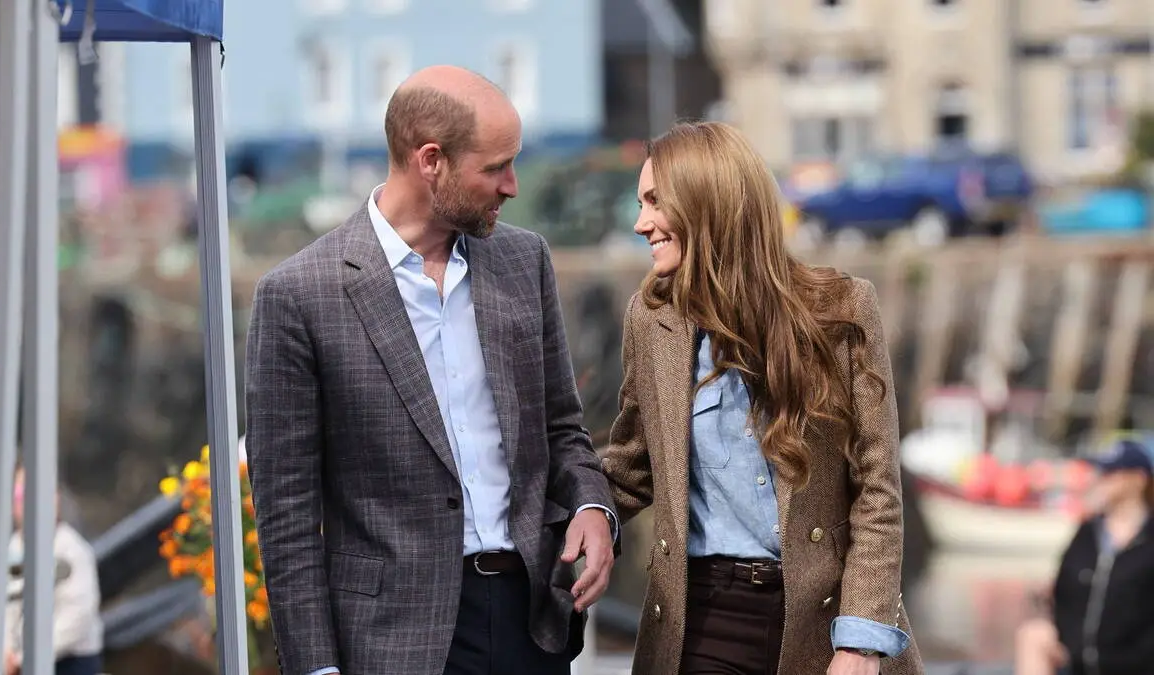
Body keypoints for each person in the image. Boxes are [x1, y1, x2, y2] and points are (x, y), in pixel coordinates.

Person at [245, 65, 618, 675]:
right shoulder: (298, 296)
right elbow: (286, 515)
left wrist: (592, 509)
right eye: (495, 167)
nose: (512, 186)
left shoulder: (524, 260)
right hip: (390, 643)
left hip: (532, 626)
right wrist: (315, 667)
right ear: (431, 161)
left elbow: (562, 430)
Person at [601, 121, 924, 675]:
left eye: (654, 202)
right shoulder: (651, 320)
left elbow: (877, 488)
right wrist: (566, 514)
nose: (640, 223)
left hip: (826, 625)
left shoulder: (842, 310)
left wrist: (861, 641)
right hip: (699, 625)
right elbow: (631, 467)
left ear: (706, 202)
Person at [1013, 438, 1154, 675]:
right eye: (1100, 472)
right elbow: (1063, 588)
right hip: (1080, 663)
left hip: (1135, 666)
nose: (1100, 479)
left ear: (1138, 479)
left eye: (1110, 473)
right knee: (1033, 635)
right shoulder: (1088, 533)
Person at [4, 466, 105, 675]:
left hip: (70, 661)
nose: (29, 502)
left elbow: (76, 617)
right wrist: (6, 651)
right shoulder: (12, 548)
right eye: (21, 494)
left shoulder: (72, 550)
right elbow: (6, 608)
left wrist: (26, 657)